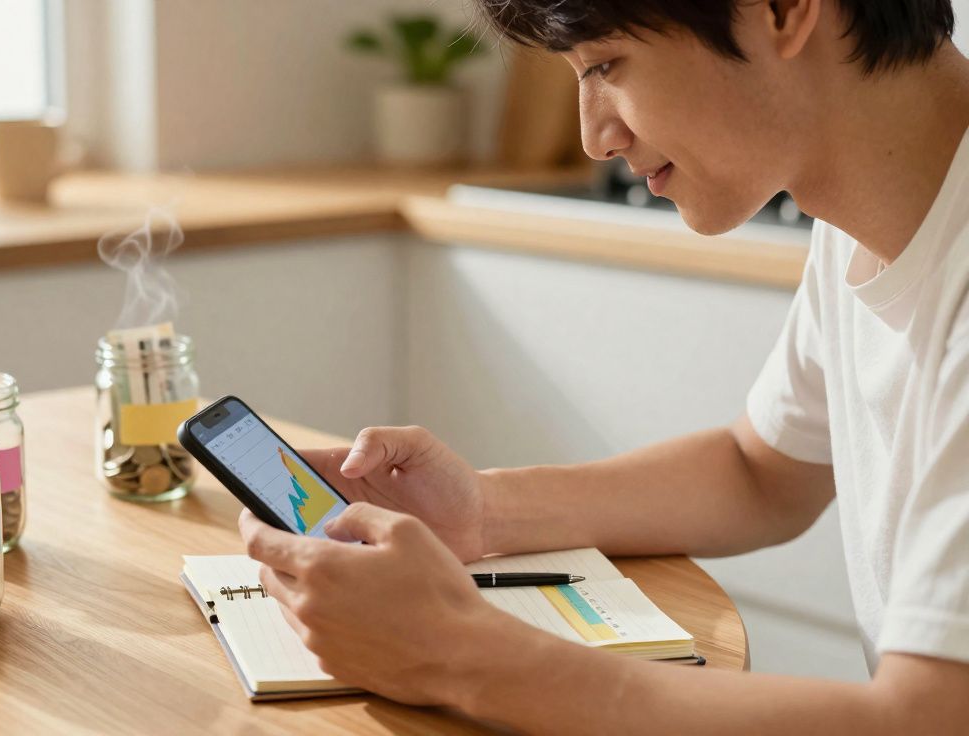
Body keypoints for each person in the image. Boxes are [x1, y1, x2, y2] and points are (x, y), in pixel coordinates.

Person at [237, 0, 969, 731]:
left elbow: (925, 719)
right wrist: (481, 512)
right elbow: (762, 474)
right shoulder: (867, 220)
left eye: (605, 66)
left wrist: (454, 653)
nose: (593, 135)